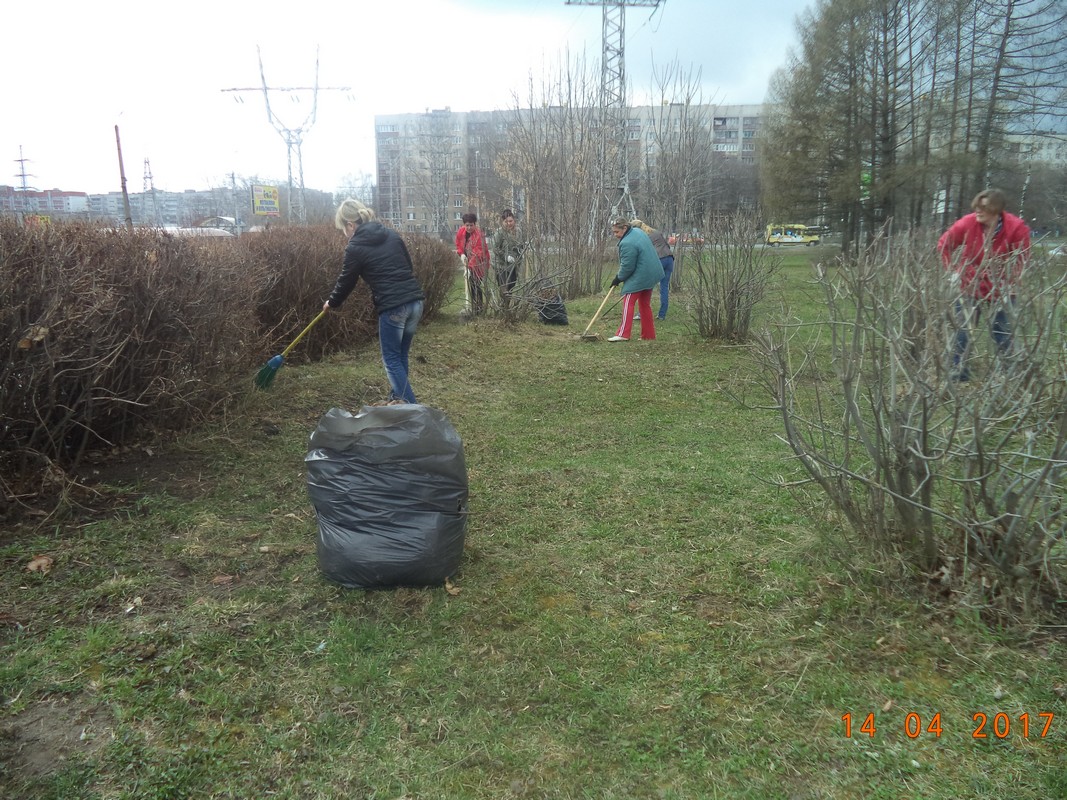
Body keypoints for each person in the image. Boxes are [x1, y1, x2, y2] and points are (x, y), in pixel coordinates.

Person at [323, 199, 425, 404]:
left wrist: (332, 302)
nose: (344, 233)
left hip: (394, 307)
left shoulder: (355, 247)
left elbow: (346, 281)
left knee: (391, 361)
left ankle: (415, 413)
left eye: (343, 228)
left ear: (350, 225)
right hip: (415, 302)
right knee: (400, 356)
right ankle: (398, 400)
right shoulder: (391, 235)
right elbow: (408, 266)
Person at [937, 188, 1031, 381]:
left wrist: (1011, 282)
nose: (978, 211)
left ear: (997, 210)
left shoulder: (1016, 228)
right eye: (977, 207)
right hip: (970, 285)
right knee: (963, 331)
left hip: (1002, 287)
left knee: (1002, 332)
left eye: (984, 208)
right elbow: (944, 245)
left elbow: (1023, 258)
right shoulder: (967, 223)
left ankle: (1010, 376)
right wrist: (953, 271)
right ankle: (958, 373)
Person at [608, 218, 664, 342]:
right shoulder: (638, 232)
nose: (615, 235)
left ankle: (623, 334)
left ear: (625, 228)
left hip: (643, 274)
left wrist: (618, 278)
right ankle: (648, 335)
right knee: (644, 304)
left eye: (617, 232)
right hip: (651, 273)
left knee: (628, 301)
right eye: (614, 232)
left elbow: (627, 266)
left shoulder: (627, 243)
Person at [632, 219, 674, 320]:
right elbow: (666, 245)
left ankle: (641, 313)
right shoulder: (656, 232)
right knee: (664, 287)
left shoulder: (643, 236)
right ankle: (662, 315)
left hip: (659, 260)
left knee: (646, 286)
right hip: (669, 259)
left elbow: (644, 252)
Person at [455, 212, 491, 314]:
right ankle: (473, 307)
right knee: (471, 284)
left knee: (476, 285)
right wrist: (461, 254)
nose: (469, 227)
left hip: (480, 263)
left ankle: (478, 308)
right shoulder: (461, 232)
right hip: (467, 260)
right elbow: (458, 244)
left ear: (475, 224)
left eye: (471, 225)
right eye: (467, 225)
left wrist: (469, 268)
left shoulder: (479, 235)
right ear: (464, 225)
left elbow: (478, 252)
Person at [491, 208, 524, 310]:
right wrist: (505, 256)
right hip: (500, 264)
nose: (509, 223)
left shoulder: (518, 231)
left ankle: (506, 307)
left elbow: (520, 245)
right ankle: (503, 308)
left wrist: (520, 253)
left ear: (514, 220)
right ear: (503, 222)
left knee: (511, 286)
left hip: (513, 265)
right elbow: (495, 248)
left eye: (511, 221)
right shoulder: (499, 233)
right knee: (504, 287)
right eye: (506, 221)